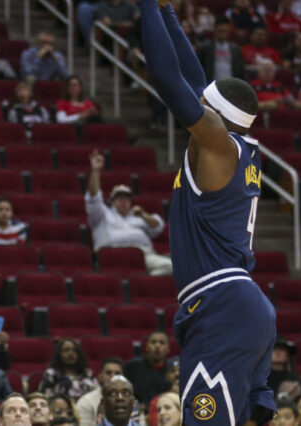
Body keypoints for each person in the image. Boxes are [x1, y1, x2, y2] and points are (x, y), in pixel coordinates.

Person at [139, 0, 277, 422]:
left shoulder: (216, 143)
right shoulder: (233, 146)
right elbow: (191, 77)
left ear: (213, 115)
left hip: (221, 305)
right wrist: (167, 11)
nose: (194, 104)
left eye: (202, 105)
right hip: (241, 304)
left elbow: (167, 76)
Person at [85, 151, 172, 276]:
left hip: (144, 255)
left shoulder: (138, 216)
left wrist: (143, 215)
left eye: (126, 198)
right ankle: (138, 280)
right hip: (113, 256)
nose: (123, 201)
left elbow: (158, 226)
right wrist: (96, 171)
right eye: (119, 198)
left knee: (173, 267)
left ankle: (142, 279)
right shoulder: (102, 214)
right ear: (112, 201)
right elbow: (93, 198)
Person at [122, 331, 170, 407]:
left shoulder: (172, 369)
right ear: (147, 347)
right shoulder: (132, 366)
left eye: (162, 343)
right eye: (153, 342)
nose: (157, 345)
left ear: (168, 349)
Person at [76, 358, 124, 426]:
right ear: (100, 377)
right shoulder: (86, 402)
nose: (113, 376)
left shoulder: (130, 401)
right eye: (108, 373)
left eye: (117, 373)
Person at [196, 17, 245, 83]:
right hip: (211, 84)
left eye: (224, 31)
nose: (222, 34)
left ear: (229, 31)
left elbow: (240, 70)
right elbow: (198, 68)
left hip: (231, 84)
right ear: (215, 30)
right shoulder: (204, 48)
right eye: (220, 31)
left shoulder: (235, 49)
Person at [268, 337, 301, 402]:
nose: (278, 352)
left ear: (288, 355)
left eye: (282, 349)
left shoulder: (295, 378)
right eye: (274, 349)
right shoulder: (261, 378)